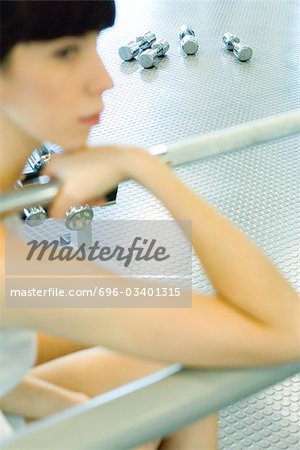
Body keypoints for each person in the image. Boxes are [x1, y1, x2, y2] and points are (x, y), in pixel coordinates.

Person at [0, 1, 299, 449]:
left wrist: (62, 404)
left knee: (169, 355)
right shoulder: (11, 272)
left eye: (93, 44)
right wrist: (144, 167)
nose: (103, 80)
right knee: (202, 365)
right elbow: (286, 331)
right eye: (65, 53)